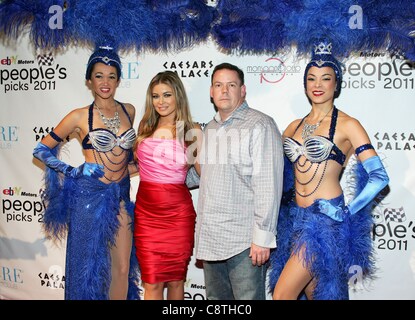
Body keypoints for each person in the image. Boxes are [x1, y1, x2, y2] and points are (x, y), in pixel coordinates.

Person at [269, 41, 390, 300]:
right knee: (318, 296)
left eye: (326, 78)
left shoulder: (348, 125)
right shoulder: (292, 127)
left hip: (324, 223)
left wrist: (346, 211)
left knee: (282, 294)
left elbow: (379, 177)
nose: (318, 84)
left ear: (337, 84)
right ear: (304, 85)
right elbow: (277, 176)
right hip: (295, 222)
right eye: (311, 78)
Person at [32, 46, 140, 300]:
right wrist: (73, 170)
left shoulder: (129, 110)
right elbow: (41, 150)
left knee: (122, 268)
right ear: (89, 81)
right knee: (86, 271)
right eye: (99, 76)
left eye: (111, 76)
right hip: (88, 199)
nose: (105, 82)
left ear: (118, 80)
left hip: (121, 197)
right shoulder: (79, 116)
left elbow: (127, 158)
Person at [192, 62, 284, 300]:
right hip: (211, 239)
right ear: (211, 92)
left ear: (243, 90)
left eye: (231, 85)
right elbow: (201, 175)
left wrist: (262, 239)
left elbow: (268, 185)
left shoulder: (260, 124)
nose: (224, 91)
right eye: (218, 85)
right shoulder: (209, 129)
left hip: (244, 242)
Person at [133, 71, 202, 300]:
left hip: (178, 215)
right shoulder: (146, 126)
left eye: (166, 95)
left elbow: (206, 175)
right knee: (151, 283)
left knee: (176, 281)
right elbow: (138, 166)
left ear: (178, 96)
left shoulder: (191, 131)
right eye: (155, 96)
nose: (160, 101)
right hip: (147, 213)